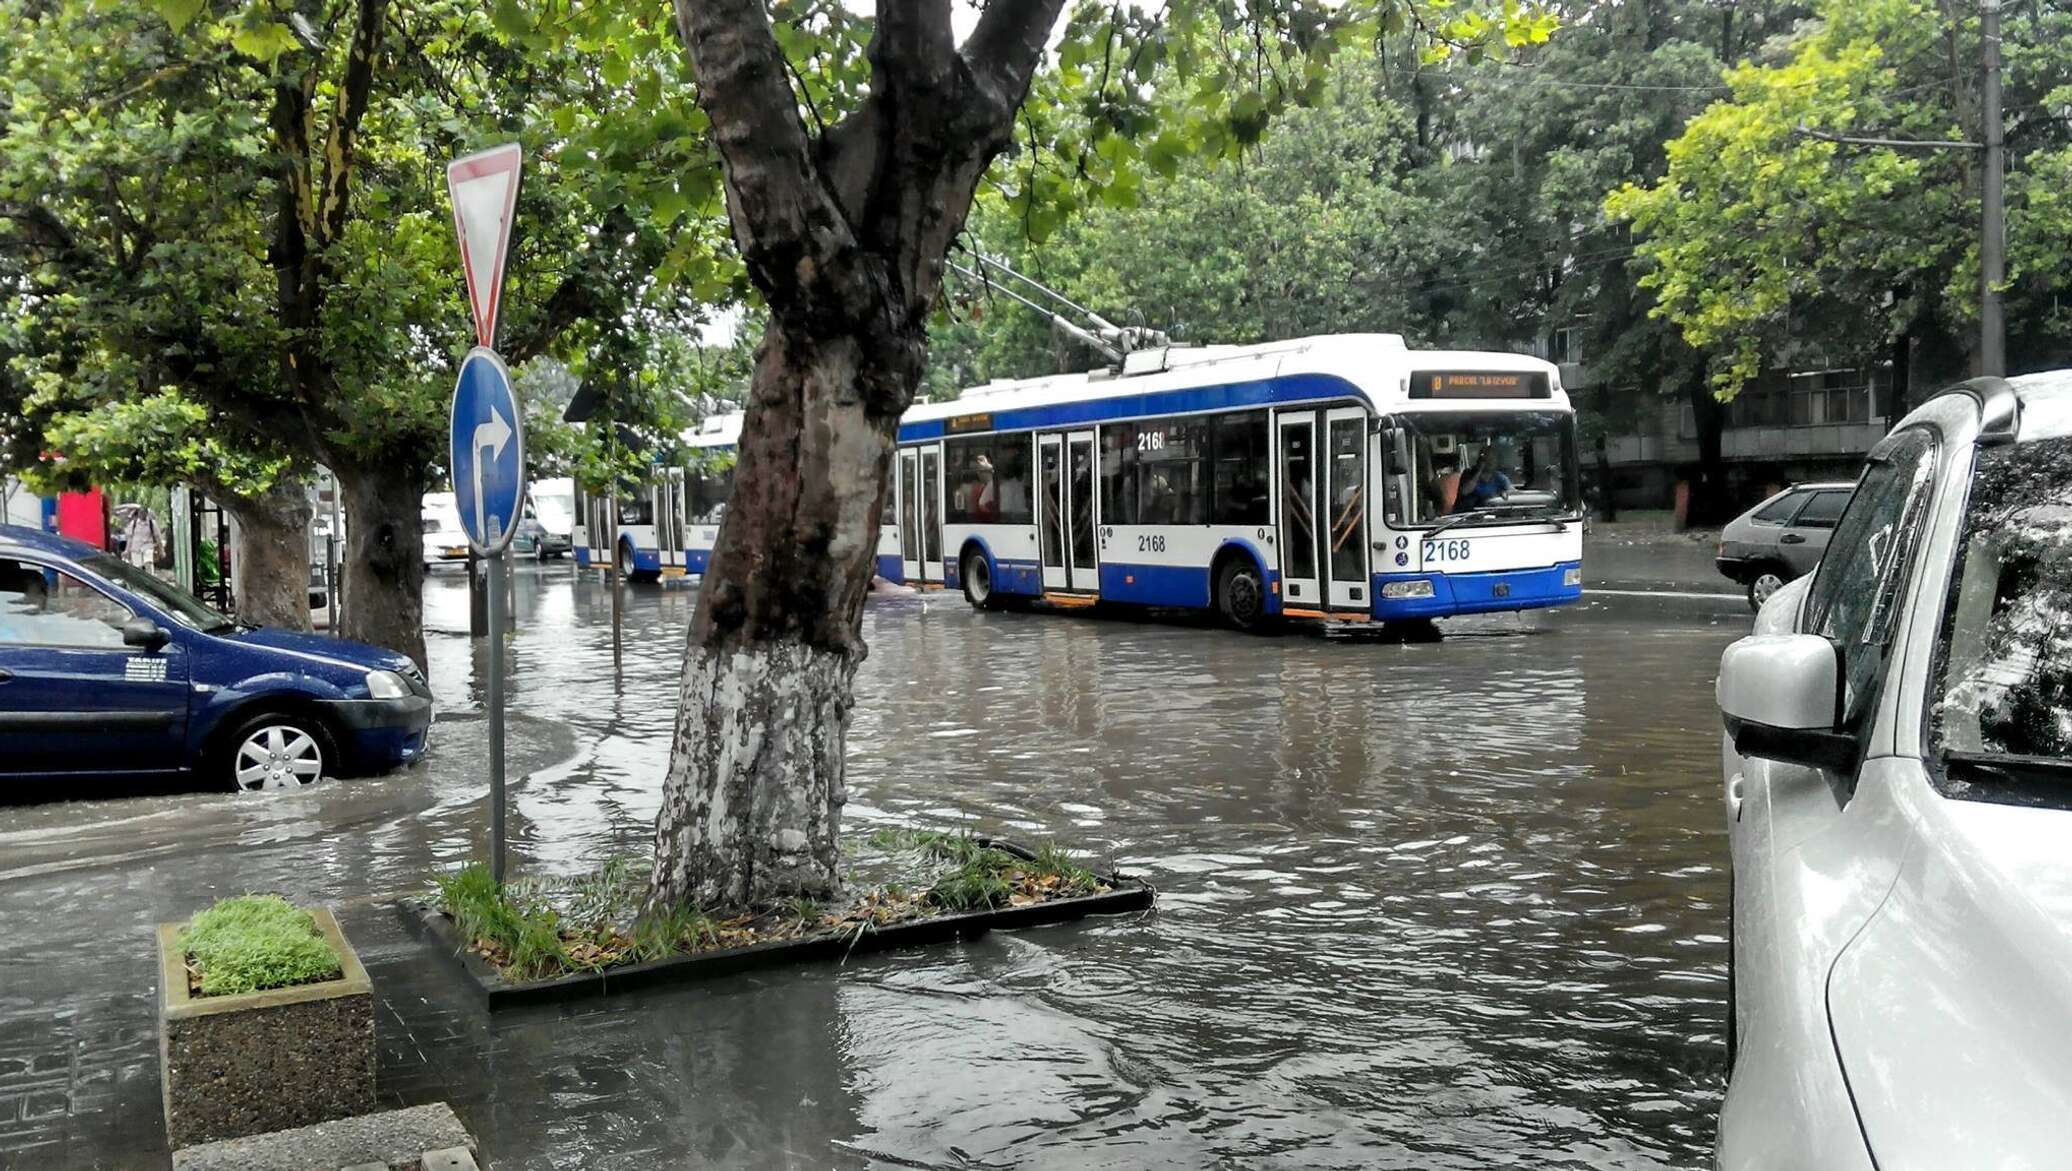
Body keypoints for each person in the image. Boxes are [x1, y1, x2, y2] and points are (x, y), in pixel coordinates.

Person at [1453, 446, 1511, 512]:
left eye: (1492, 459)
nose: (1490, 462)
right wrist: (1479, 471)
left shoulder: (1499, 478)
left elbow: (1511, 492)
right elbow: (1464, 492)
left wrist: (1503, 493)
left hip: (1488, 514)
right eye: (1487, 459)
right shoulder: (1468, 473)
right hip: (1465, 515)